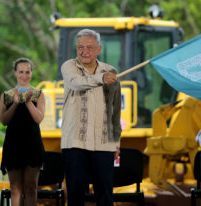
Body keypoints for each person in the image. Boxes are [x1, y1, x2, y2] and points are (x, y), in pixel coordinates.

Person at [61, 29, 121, 206]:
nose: (84, 51)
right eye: (80, 47)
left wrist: (117, 141)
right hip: (74, 143)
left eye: (89, 47)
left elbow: (115, 110)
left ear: (99, 49)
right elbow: (76, 83)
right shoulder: (69, 66)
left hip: (104, 142)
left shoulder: (111, 71)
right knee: (75, 195)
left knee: (105, 195)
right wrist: (101, 78)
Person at [0, 57, 45, 206]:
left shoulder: (38, 94)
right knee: (15, 188)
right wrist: (15, 104)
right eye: (21, 72)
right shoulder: (6, 95)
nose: (24, 75)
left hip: (32, 145)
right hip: (13, 145)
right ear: (15, 73)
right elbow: (4, 121)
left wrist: (27, 103)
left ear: (32, 73)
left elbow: (38, 119)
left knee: (31, 187)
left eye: (27, 72)